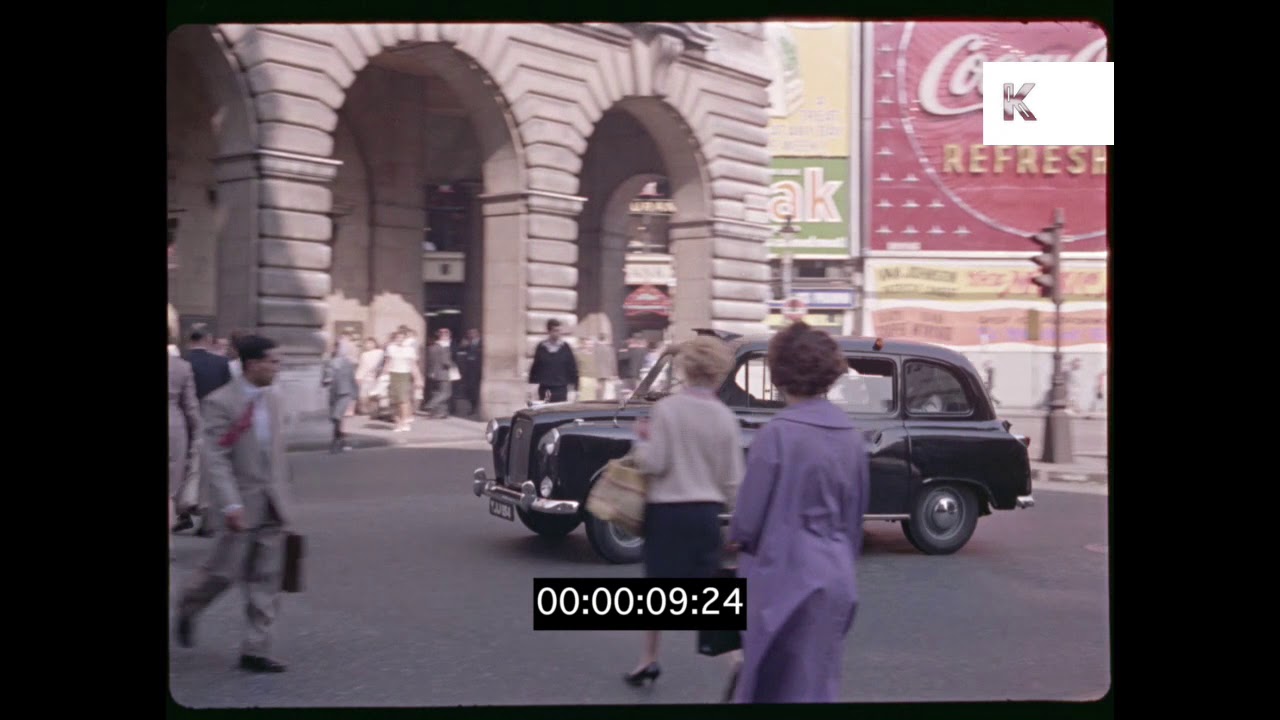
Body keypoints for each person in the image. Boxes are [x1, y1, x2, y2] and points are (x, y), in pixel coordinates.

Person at [727, 322, 870, 703]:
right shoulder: (850, 436)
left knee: (770, 687)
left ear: (779, 374)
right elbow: (854, 518)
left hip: (782, 579)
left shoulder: (776, 434)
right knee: (816, 686)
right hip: (834, 576)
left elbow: (747, 521)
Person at [625, 336, 743, 686]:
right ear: (719, 374)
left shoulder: (668, 410)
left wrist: (642, 441)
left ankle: (648, 658)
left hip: (667, 513)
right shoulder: (725, 418)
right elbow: (734, 481)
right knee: (709, 592)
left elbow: (655, 464)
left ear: (686, 370)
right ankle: (734, 658)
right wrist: (739, 524)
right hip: (705, 515)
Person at [174, 335, 295, 673]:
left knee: (267, 578)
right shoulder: (221, 402)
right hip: (239, 506)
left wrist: (285, 494)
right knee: (222, 573)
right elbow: (216, 457)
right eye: (273, 362)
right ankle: (189, 604)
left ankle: (255, 648)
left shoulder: (275, 399)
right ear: (253, 364)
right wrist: (228, 504)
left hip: (273, 504)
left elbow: (278, 452)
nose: (277, 367)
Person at [169, 331, 202, 560]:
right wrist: (200, 433)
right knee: (170, 492)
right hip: (174, 428)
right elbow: (190, 406)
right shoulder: (181, 367)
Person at [527, 319, 578, 403]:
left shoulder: (565, 347)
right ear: (549, 331)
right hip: (545, 387)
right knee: (545, 412)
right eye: (555, 331)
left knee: (560, 413)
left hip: (561, 388)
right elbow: (535, 367)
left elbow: (572, 368)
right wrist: (530, 388)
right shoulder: (541, 347)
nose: (558, 333)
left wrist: (574, 389)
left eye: (559, 331)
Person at [322, 336, 358, 453]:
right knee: (336, 418)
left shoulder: (347, 362)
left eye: (337, 347)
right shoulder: (329, 361)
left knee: (336, 417)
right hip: (334, 393)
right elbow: (326, 377)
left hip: (344, 393)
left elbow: (352, 378)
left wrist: (354, 394)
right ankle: (342, 440)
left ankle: (336, 442)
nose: (335, 349)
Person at [425, 328, 457, 419]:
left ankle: (440, 413)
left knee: (437, 392)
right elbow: (446, 361)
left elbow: (430, 361)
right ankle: (431, 404)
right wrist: (453, 365)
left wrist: (431, 372)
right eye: (447, 335)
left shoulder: (432, 346)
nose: (449, 337)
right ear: (444, 336)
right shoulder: (444, 347)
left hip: (434, 373)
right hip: (444, 373)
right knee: (446, 393)